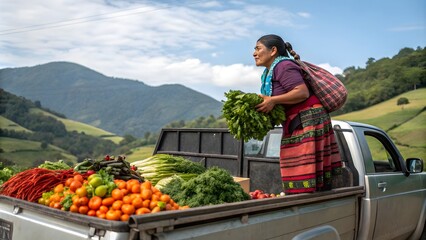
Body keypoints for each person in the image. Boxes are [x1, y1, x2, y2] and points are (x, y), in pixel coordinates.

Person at [253, 34, 342, 194]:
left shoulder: (284, 66)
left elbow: (301, 93)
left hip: (308, 121)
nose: (254, 53)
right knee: (297, 173)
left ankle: (307, 205)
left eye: (258, 48)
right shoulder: (269, 73)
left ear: (273, 51)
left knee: (304, 175)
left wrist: (272, 100)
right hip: (297, 122)